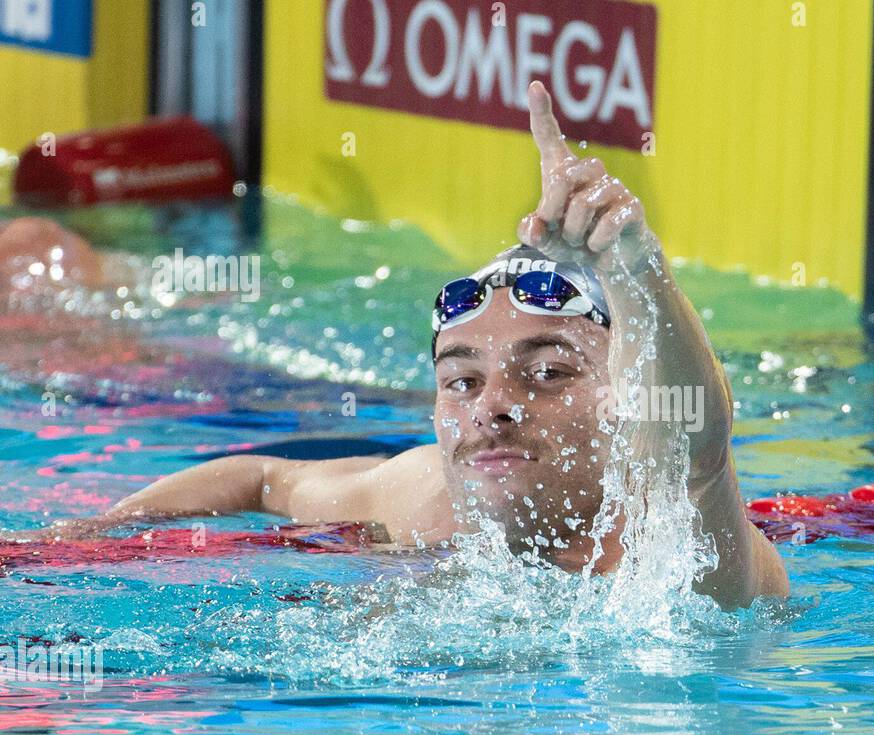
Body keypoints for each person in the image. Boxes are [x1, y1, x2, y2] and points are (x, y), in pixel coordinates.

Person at [14, 82, 789, 608]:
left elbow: (696, 446)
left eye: (547, 373)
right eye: (461, 381)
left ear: (622, 394)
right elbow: (263, 477)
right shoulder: (427, 496)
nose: (494, 409)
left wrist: (634, 270)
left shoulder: (680, 548)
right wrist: (90, 536)